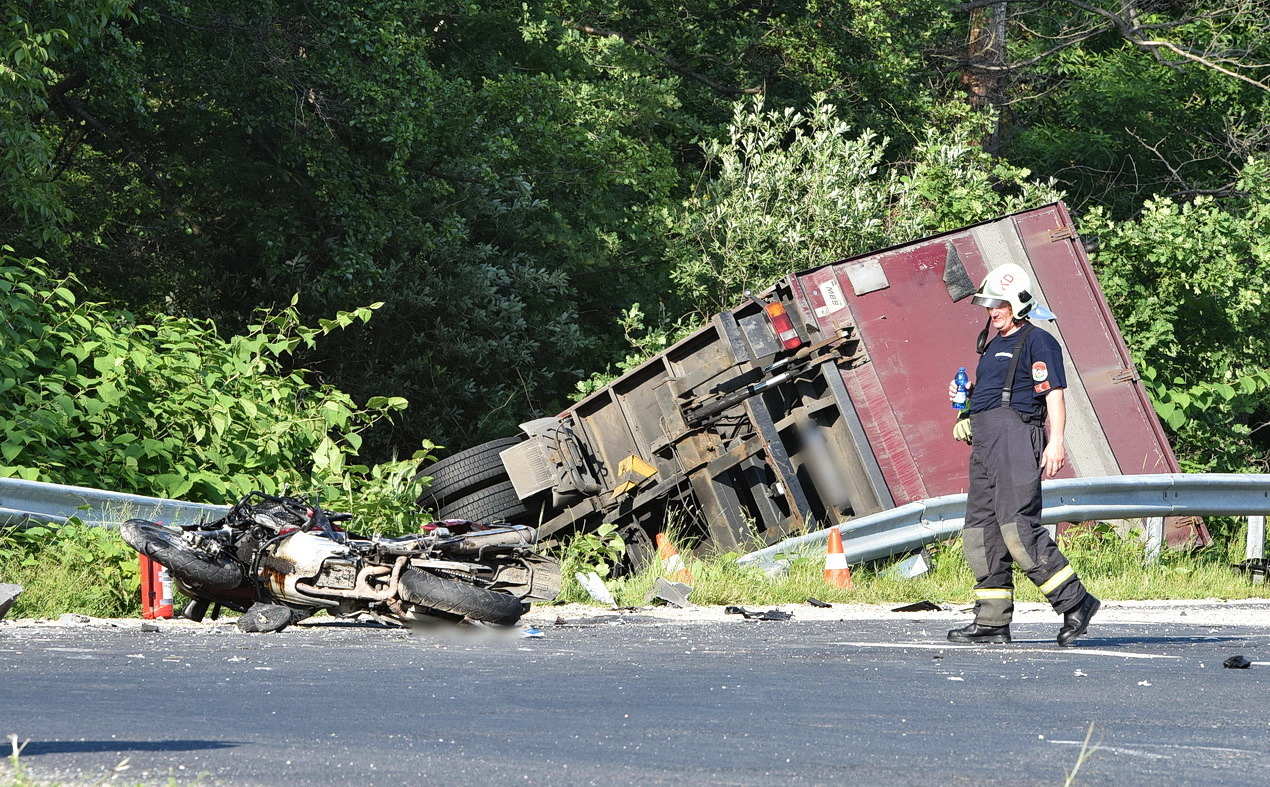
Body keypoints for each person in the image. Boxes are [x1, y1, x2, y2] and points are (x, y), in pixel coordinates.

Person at [947, 263, 1100, 646]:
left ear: (1017, 303)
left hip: (1016, 436)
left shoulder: (1038, 341)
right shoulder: (991, 342)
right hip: (985, 439)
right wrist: (965, 409)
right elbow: (992, 389)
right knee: (980, 531)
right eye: (988, 306)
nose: (992, 312)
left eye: (999, 305)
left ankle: (1076, 602)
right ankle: (992, 622)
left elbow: (1054, 395)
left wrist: (1056, 441)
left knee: (1017, 527)